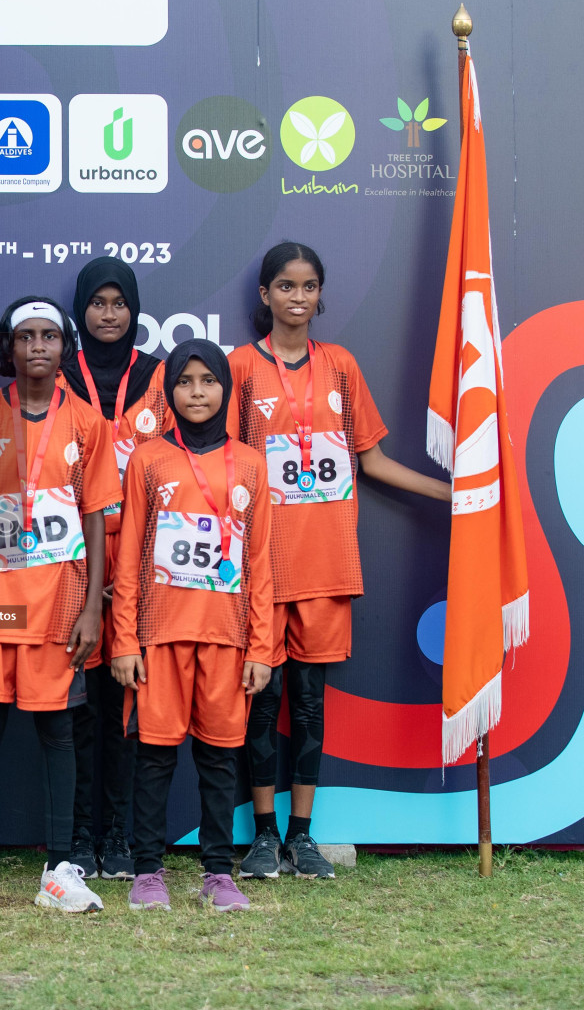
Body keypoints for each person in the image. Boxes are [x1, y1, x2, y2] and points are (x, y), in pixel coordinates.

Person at [228, 242, 450, 880]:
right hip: (261, 569)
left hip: (326, 566)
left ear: (321, 295)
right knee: (262, 707)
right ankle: (263, 837)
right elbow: (230, 466)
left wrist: (452, 492)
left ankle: (303, 835)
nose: (298, 297)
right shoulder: (241, 367)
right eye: (286, 286)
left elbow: (372, 461)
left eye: (309, 286)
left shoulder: (341, 366)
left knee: (309, 705)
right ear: (265, 295)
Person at [0, 297, 119, 915]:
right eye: (25, 337)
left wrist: (93, 605)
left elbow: (95, 518)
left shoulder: (89, 424)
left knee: (58, 732)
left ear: (64, 347)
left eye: (48, 336)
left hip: (60, 603)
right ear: (8, 348)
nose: (37, 346)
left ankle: (59, 869)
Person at [110, 338, 274, 913]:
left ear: (226, 389)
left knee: (219, 757)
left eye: (208, 381)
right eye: (185, 381)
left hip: (228, 639)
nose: (197, 391)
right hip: (158, 637)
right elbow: (128, 555)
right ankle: (149, 870)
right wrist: (124, 639)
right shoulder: (148, 459)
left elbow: (260, 565)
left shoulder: (252, 464)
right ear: (170, 390)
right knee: (153, 758)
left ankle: (217, 872)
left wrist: (262, 648)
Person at [58, 255, 172, 880]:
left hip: (142, 567)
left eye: (119, 303)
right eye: (98, 303)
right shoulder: (55, 376)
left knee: (126, 707)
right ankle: (80, 835)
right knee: (80, 710)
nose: (109, 314)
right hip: (69, 563)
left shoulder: (161, 378)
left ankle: (121, 836)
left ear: (134, 310)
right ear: (81, 308)